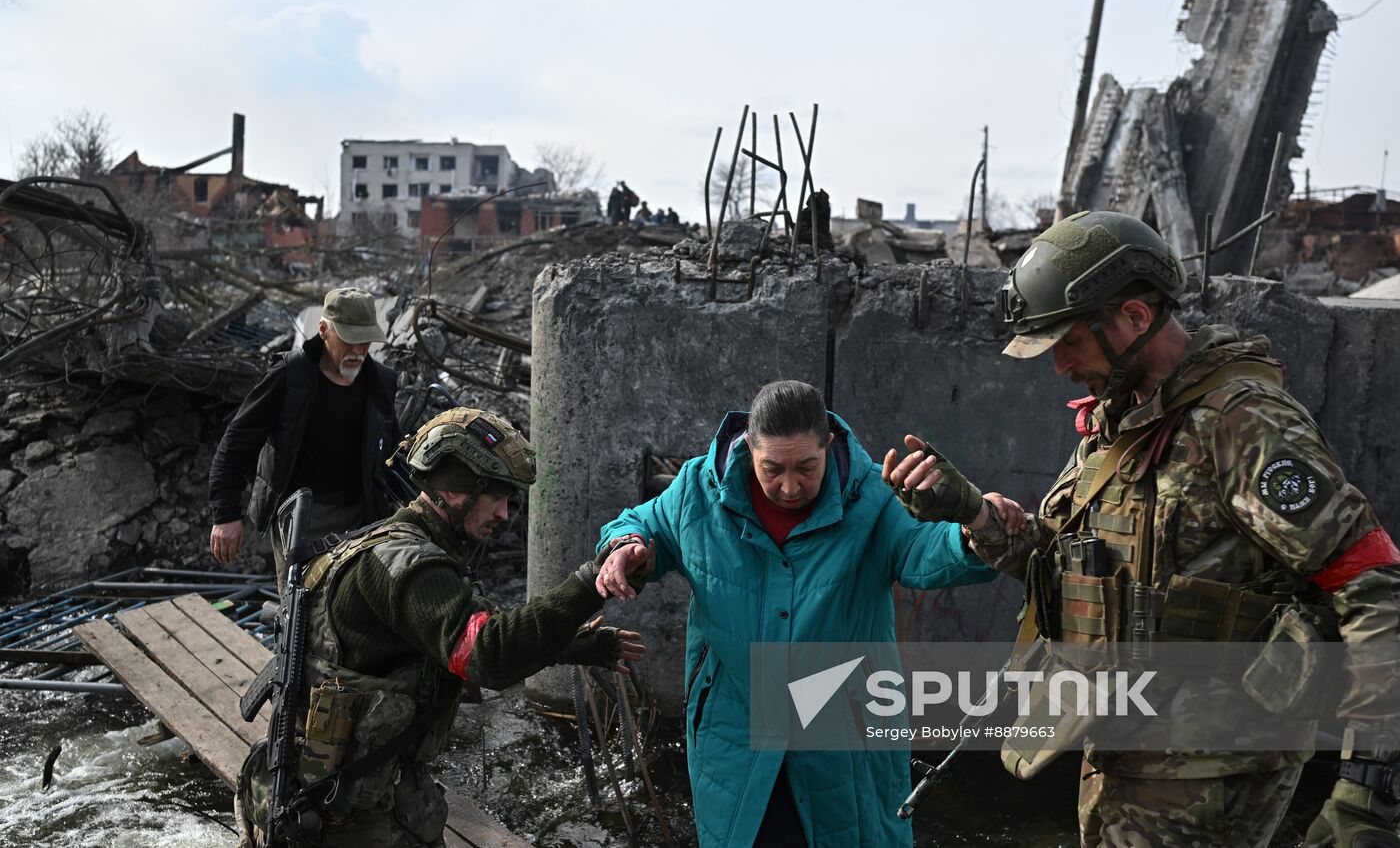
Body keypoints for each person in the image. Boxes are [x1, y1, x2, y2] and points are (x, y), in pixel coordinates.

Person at [883, 210, 1400, 848]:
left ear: (1132, 318)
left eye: (1068, 341)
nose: (1059, 367)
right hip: (1122, 737)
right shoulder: (1122, 425)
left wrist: (1368, 788)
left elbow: (1373, 587)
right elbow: (1065, 572)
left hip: (1212, 760)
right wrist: (973, 513)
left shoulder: (1242, 423)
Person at [592, 380, 999, 847]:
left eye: (807, 466)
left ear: (829, 445)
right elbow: (641, 525)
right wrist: (626, 548)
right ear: (749, 449)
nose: (789, 486)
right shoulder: (697, 491)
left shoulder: (872, 497)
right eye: (772, 468)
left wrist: (976, 528)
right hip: (735, 728)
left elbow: (924, 549)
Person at [236, 407, 647, 847]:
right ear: (455, 491)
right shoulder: (411, 568)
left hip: (338, 799)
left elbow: (443, 642)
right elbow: (487, 656)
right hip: (346, 820)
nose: (506, 515)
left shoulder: (390, 543)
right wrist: (590, 583)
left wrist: (568, 645)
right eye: (499, 497)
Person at [208, 287, 399, 586]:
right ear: (323, 330)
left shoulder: (380, 383)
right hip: (302, 519)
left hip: (363, 519)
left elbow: (392, 454)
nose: (359, 351)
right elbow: (237, 443)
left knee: (358, 613)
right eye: (350, 340)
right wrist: (225, 514)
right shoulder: (290, 375)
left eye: (366, 342)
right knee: (302, 617)